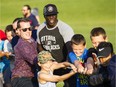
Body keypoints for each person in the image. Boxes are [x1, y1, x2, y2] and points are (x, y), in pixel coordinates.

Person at [37, 4, 74, 87]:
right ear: (44, 16)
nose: (51, 17)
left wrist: (67, 63)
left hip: (65, 63)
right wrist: (47, 60)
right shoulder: (41, 29)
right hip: (49, 65)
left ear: (57, 14)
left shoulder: (65, 28)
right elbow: (39, 46)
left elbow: (70, 48)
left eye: (53, 14)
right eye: (48, 15)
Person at [11, 18, 38, 87]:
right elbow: (35, 60)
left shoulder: (31, 40)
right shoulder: (22, 45)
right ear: (18, 31)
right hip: (21, 78)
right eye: (24, 30)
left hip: (31, 77)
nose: (28, 31)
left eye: (30, 28)